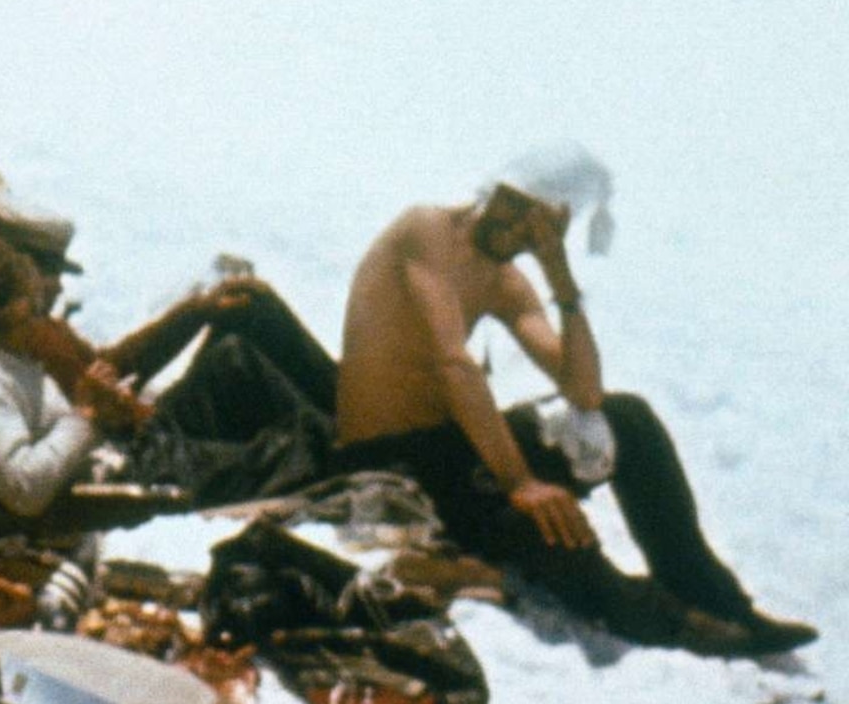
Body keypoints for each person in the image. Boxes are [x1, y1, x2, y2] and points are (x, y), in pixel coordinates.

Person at [331, 162, 814, 656]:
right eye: (513, 204)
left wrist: (558, 274)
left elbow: (584, 391)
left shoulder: (506, 280)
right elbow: (453, 363)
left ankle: (710, 593)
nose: (516, 225)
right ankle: (666, 619)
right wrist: (521, 482)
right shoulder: (428, 229)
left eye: (537, 222)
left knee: (625, 418)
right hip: (391, 464)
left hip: (460, 448)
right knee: (550, 527)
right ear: (493, 190)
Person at [0, 236, 332, 523]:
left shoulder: (11, 349)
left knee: (242, 342)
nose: (37, 322)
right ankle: (366, 441)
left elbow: (112, 365)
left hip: (136, 438)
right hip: (132, 459)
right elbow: (24, 488)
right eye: (25, 314)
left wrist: (196, 312)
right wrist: (88, 413)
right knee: (301, 447)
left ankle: (355, 413)